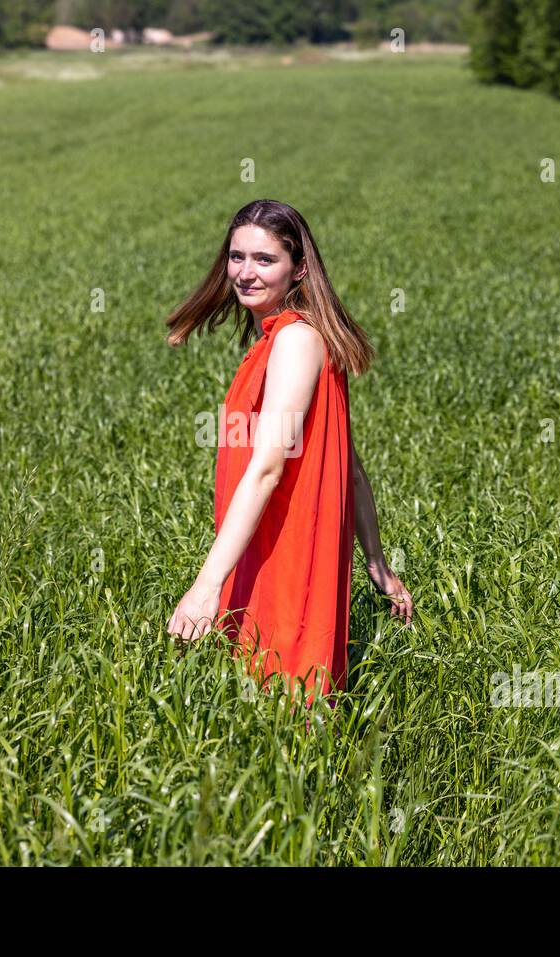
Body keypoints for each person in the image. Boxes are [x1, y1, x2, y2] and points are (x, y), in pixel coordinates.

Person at [163, 199, 413, 708]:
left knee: (287, 708)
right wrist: (377, 562)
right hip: (261, 546)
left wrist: (207, 586)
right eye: (237, 257)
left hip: (287, 551)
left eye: (264, 260)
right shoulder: (281, 340)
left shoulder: (296, 341)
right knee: (266, 717)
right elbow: (354, 467)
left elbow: (267, 468)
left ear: (298, 269)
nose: (245, 273)